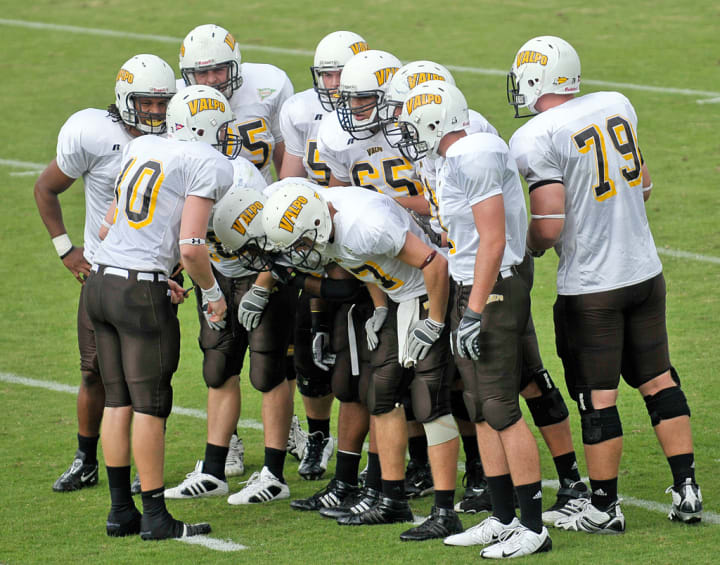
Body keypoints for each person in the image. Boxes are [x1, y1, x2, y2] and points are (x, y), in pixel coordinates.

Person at [507, 35, 702, 531]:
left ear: (534, 79)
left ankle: (603, 508)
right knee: (659, 380)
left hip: (594, 285)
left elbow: (548, 225)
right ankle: (686, 487)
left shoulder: (535, 135)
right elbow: (646, 184)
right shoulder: (615, 104)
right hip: (645, 270)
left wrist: (524, 246)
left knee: (598, 398)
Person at [384, 63, 586, 520]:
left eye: (404, 111)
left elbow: (492, 236)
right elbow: (449, 213)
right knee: (482, 399)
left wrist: (473, 307)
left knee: (512, 391)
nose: (399, 122)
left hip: (492, 279)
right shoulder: (448, 150)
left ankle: (543, 508)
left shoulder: (470, 148)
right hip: (473, 274)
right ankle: (500, 510)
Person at [262, 180, 464, 542]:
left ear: (318, 225)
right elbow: (363, 265)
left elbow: (436, 263)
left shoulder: (366, 224)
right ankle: (392, 499)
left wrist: (434, 320)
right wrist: (382, 307)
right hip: (401, 296)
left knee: (430, 402)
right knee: (381, 396)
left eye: (303, 244)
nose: (301, 253)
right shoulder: (325, 220)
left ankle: (445, 511)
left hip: (428, 291)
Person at [83, 84, 237, 539]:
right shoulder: (207, 161)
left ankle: (120, 512)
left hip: (101, 280)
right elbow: (192, 246)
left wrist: (151, 264)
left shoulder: (144, 144)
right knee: (150, 406)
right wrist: (212, 293)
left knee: (117, 400)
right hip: (139, 295)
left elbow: (113, 221)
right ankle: (154, 515)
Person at [34, 54, 177, 493]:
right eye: (146, 102)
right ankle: (85, 457)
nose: (154, 112)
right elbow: (46, 187)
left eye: (161, 103)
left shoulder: (181, 135)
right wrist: (66, 250)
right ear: (123, 98)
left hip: (155, 276)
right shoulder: (92, 133)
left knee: (149, 381)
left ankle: (143, 468)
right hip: (104, 273)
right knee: (94, 372)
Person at [276, 30, 370, 481]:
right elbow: (289, 182)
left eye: (339, 74)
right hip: (315, 239)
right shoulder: (300, 111)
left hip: (369, 241)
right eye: (326, 74)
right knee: (311, 356)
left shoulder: (381, 109)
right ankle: (318, 436)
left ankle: (406, 456)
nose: (331, 83)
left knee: (375, 363)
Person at [162, 150, 268, 500]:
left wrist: (265, 284)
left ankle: (274, 471)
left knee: (269, 371)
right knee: (218, 368)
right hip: (215, 274)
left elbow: (279, 239)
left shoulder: (241, 175)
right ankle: (213, 470)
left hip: (257, 271)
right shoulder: (176, 169)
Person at [178, 23, 293, 182]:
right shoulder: (176, 104)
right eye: (203, 72)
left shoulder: (270, 84)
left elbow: (286, 158)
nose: (211, 80)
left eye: (219, 70)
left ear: (235, 65)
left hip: (261, 196)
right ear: (190, 76)